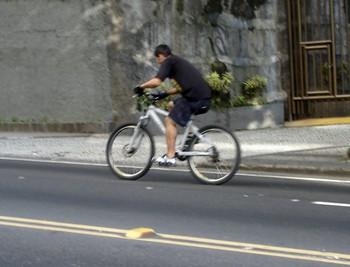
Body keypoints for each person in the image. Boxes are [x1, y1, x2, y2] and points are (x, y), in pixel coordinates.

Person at [134, 44, 211, 166]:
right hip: (201, 96)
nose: (158, 63)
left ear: (160, 56)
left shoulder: (168, 61)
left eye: (157, 59)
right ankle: (189, 137)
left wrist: (141, 87)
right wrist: (163, 95)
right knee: (171, 105)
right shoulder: (177, 61)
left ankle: (170, 156)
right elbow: (180, 87)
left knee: (169, 121)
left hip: (196, 98)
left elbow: (157, 81)